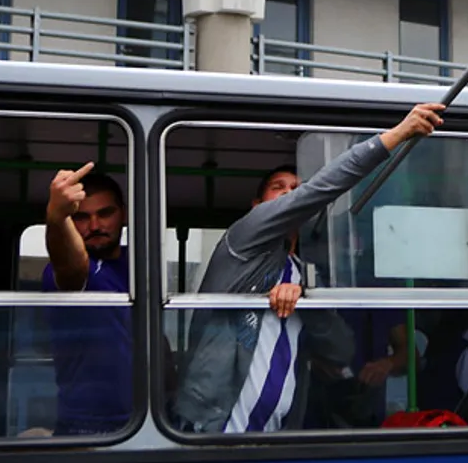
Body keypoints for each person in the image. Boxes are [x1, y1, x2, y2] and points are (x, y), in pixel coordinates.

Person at [171, 103, 445, 434]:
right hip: (215, 429)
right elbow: (319, 190)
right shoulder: (242, 240)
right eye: (278, 187)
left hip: (281, 434)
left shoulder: (304, 271)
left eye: (295, 188)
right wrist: (396, 135)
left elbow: (341, 350)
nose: (290, 193)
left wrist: (305, 303)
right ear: (257, 208)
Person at [41, 163, 134, 436]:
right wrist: (56, 218)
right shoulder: (70, 270)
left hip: (149, 416)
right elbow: (71, 267)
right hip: (87, 426)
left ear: (124, 215)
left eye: (105, 213)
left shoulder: (138, 261)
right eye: (81, 217)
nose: (95, 226)